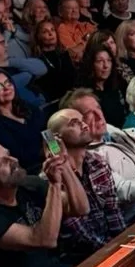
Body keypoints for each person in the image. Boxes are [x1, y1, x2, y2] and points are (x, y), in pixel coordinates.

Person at [44, 108, 129, 255]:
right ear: (57, 138)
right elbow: (79, 233)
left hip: (116, 247)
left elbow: (113, 211)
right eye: (74, 123)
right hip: (83, 257)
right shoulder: (51, 179)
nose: (84, 125)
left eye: (82, 121)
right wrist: (112, 251)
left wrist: (125, 244)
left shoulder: (97, 162)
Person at [60, 89, 135, 217]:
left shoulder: (113, 132)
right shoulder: (88, 159)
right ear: (78, 124)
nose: (99, 115)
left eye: (98, 108)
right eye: (88, 114)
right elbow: (123, 192)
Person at [0, 68, 48, 174]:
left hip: (49, 161)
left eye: (8, 83)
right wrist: (45, 152)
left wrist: (55, 151)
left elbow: (48, 133)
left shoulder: (29, 108)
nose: (6, 88)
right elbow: (19, 156)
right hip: (26, 173)